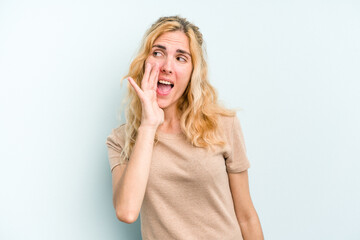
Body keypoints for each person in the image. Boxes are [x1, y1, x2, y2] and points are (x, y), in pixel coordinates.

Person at [106, 16, 264, 240]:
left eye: (181, 58)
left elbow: (247, 216)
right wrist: (149, 124)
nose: (167, 67)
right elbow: (127, 211)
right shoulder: (121, 140)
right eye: (158, 53)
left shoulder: (223, 124)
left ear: (192, 72)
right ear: (145, 61)